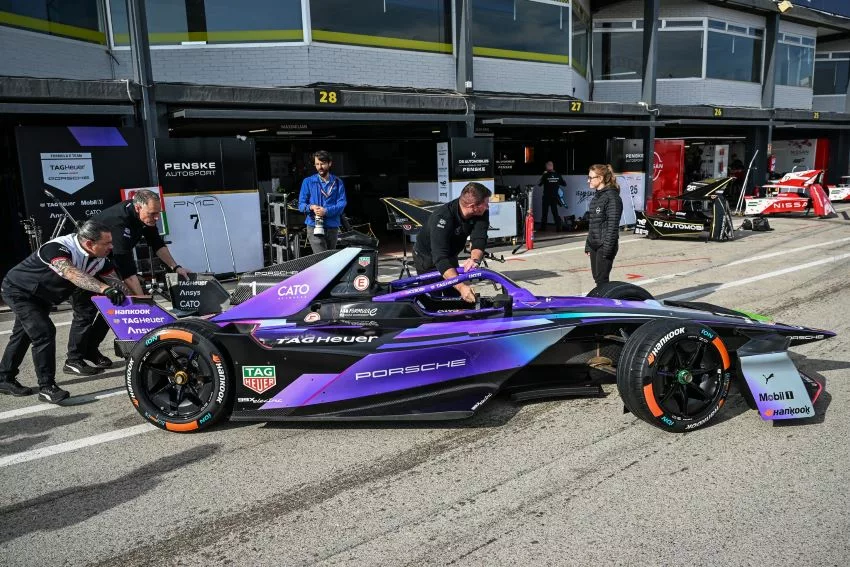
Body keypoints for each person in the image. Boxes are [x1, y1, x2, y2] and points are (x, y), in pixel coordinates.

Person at [63, 189, 191, 376]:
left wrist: (175, 267)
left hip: (106, 264)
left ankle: (91, 349)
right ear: (138, 207)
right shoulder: (119, 221)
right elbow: (127, 269)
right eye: (152, 214)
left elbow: (157, 244)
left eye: (158, 213)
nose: (156, 218)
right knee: (85, 312)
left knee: (117, 304)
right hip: (85, 266)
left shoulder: (145, 216)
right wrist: (141, 300)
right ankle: (73, 359)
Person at [0, 221, 127, 403]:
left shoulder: (100, 258)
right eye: (107, 243)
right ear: (90, 243)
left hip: (43, 296)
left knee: (22, 335)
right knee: (43, 332)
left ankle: (4, 377)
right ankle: (47, 387)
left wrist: (132, 299)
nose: (111, 246)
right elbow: (70, 272)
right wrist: (104, 289)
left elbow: (114, 281)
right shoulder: (58, 248)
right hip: (19, 290)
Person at [413, 182, 491, 303]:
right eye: (486, 204)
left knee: (456, 298)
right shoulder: (442, 217)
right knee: (434, 301)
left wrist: (475, 259)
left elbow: (479, 237)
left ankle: (459, 316)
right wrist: (461, 286)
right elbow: (440, 258)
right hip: (427, 258)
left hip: (450, 254)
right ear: (473, 206)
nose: (488, 206)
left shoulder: (481, 212)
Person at [298, 150, 348, 254]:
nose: (320, 167)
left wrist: (326, 211)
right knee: (322, 258)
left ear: (330, 163)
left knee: (330, 258)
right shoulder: (308, 182)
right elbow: (301, 205)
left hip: (332, 226)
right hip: (314, 225)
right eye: (317, 164)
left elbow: (342, 204)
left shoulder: (338, 182)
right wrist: (311, 207)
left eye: (323, 163)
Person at [585, 164, 623, 286]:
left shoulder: (612, 197)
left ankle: (605, 304)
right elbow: (593, 223)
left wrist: (607, 250)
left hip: (604, 245)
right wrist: (588, 244)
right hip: (594, 244)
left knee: (602, 280)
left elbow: (613, 227)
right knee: (597, 278)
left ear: (600, 178)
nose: (588, 180)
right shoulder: (597, 196)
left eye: (591, 178)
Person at [537, 161, 567, 232]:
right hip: (553, 197)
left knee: (545, 213)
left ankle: (543, 228)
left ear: (548, 166)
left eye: (547, 166)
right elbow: (564, 184)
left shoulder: (545, 175)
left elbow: (539, 183)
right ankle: (558, 228)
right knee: (554, 212)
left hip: (547, 197)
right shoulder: (557, 174)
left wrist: (543, 175)